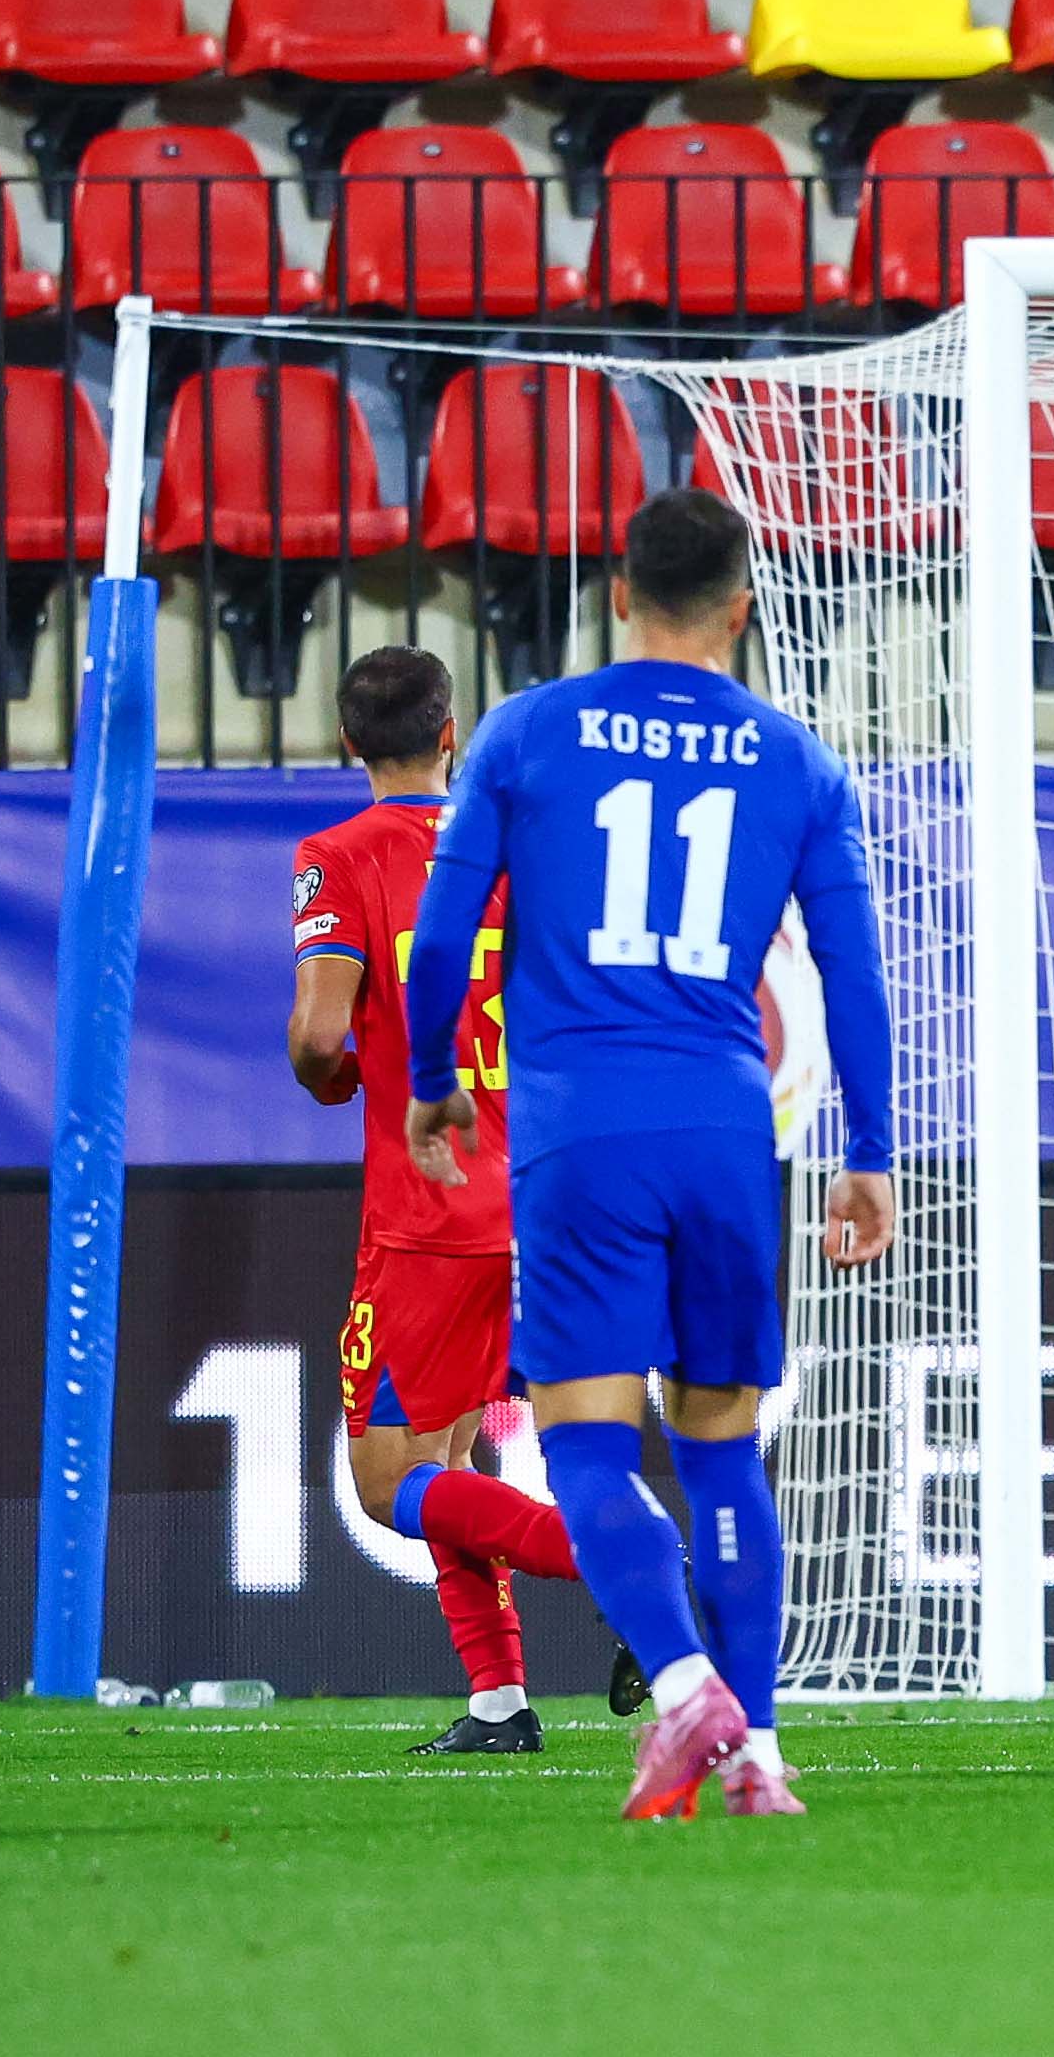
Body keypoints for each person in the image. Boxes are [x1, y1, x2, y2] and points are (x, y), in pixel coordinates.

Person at [404, 491, 898, 1820]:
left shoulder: (521, 734)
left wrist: (432, 1082)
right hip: (729, 1134)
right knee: (726, 1445)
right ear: (742, 611)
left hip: (581, 1134)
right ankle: (764, 1756)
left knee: (585, 1449)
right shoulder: (795, 761)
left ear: (617, 594)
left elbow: (446, 938)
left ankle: (687, 1695)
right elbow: (849, 970)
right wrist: (872, 1147)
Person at [289, 645, 609, 1753]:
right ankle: (499, 1702)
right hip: (541, 1192)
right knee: (458, 1453)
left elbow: (322, 1037)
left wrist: (334, 1072)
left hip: (428, 1212)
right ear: (449, 731)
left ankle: (611, 1554)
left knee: (390, 1481)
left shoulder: (340, 856)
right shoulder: (518, 851)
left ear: (346, 742)